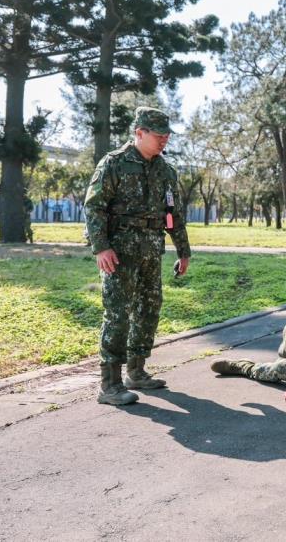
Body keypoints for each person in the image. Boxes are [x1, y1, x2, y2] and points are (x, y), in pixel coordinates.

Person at [83, 107, 191, 406]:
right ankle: (109, 385)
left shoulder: (165, 170)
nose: (163, 141)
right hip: (119, 253)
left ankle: (137, 372)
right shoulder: (114, 163)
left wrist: (183, 251)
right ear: (139, 132)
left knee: (148, 309)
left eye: (167, 136)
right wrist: (100, 247)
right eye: (158, 136)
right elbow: (94, 208)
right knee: (118, 314)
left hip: (151, 250)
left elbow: (174, 215)